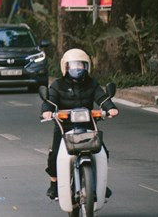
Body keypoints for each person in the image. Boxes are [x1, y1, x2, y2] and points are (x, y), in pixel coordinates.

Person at [41, 48, 118, 200]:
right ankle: (54, 184)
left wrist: (110, 108)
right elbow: (49, 100)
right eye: (73, 65)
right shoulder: (58, 85)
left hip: (88, 125)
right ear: (66, 67)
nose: (77, 68)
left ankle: (99, 182)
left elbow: (101, 98)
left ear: (87, 66)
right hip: (64, 126)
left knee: (102, 151)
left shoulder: (91, 84)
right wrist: (47, 111)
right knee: (55, 155)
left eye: (81, 65)